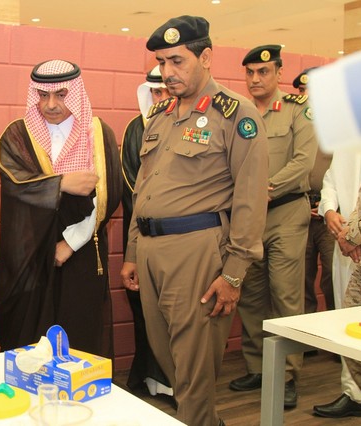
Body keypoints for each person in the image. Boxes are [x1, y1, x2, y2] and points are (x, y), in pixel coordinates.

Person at [120, 16, 269, 426]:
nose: (168, 72)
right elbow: (143, 190)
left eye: (177, 61)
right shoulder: (161, 114)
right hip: (150, 251)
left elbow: (251, 199)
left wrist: (234, 273)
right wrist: (132, 250)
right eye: (161, 62)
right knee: (171, 361)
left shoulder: (235, 114)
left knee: (194, 367)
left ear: (205, 58)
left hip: (197, 252)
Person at [0, 59, 122, 359]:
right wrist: (61, 183)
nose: (50, 104)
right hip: (31, 250)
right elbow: (15, 186)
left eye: (61, 95)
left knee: (79, 332)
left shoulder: (97, 133)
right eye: (42, 95)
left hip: (82, 250)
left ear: (74, 94)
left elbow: (109, 193)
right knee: (28, 335)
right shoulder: (17, 134)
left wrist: (70, 243)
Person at [230, 45, 318, 409]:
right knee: (250, 295)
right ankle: (258, 367)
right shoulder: (240, 113)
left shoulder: (299, 110)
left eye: (263, 71)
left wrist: (264, 188)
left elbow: (304, 162)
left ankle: (286, 375)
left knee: (285, 295)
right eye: (250, 72)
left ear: (279, 73)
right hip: (249, 219)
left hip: (286, 213)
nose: (255, 79)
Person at [121, 65, 172, 397]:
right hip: (141, 232)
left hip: (181, 236)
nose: (161, 97)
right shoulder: (135, 129)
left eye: (165, 90)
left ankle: (175, 383)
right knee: (145, 309)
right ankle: (148, 376)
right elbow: (130, 182)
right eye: (155, 91)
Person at [312, 151, 361, 418]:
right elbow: (332, 180)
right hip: (347, 238)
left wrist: (353, 235)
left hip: (356, 238)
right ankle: (354, 393)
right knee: (350, 320)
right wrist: (329, 211)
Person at [295, 68, 335, 316]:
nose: (306, 95)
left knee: (332, 276)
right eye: (301, 90)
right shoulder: (293, 124)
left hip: (330, 215)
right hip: (299, 211)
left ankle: (336, 330)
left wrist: (329, 205)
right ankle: (305, 335)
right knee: (301, 279)